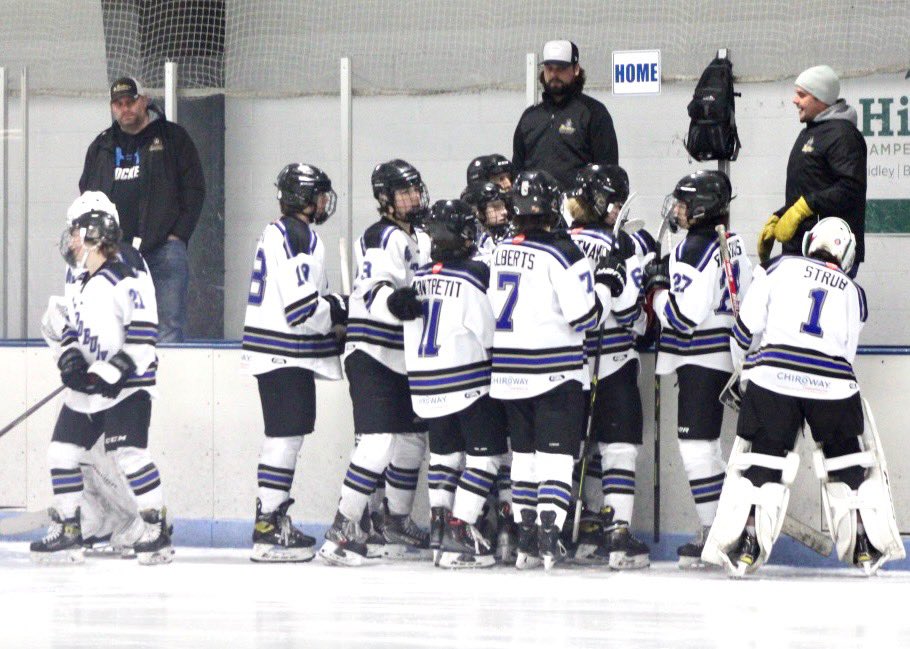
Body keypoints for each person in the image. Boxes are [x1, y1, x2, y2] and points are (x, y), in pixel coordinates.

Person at [703, 218, 904, 577]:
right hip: (834, 384)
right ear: (846, 255)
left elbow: (744, 330)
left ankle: (747, 543)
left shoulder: (778, 268)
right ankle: (862, 543)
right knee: (845, 462)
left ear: (811, 242)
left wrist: (745, 375)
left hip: (773, 378)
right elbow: (847, 353)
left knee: (763, 460)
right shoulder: (854, 291)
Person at [488, 169, 620, 570]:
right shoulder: (564, 252)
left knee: (525, 457)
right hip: (555, 371)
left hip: (509, 372)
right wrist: (608, 285)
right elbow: (585, 318)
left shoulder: (500, 248)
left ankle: (527, 540)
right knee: (557, 458)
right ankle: (549, 539)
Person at [31, 199, 172, 565]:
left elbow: (143, 335)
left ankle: (156, 530)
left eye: (77, 234)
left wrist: (113, 372)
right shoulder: (78, 280)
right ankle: (69, 529)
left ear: (94, 237)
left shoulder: (124, 278)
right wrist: (70, 356)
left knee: (130, 456)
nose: (71, 241)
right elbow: (61, 325)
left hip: (128, 386)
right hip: (88, 389)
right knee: (61, 453)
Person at [318, 159, 431, 566]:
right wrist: (395, 302)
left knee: (412, 440)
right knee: (378, 441)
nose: (414, 197)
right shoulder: (382, 236)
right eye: (404, 192)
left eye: (415, 189)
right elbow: (375, 289)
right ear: (385, 199)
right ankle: (344, 527)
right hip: (372, 352)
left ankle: (394, 520)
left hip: (404, 357)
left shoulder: (417, 235)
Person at [642, 170, 752, 567]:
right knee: (708, 451)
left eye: (685, 204)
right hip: (723, 357)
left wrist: (656, 293)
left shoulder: (694, 248)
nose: (678, 210)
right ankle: (727, 528)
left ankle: (721, 533)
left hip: (700, 359)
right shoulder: (733, 241)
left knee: (696, 451)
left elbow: (684, 317)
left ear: (702, 208)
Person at [240, 163, 347, 563]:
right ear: (304, 198)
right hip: (284, 351)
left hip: (279, 352)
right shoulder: (296, 234)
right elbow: (302, 307)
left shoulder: (284, 231)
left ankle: (270, 519)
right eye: (318, 194)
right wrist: (337, 313)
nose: (323, 202)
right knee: (284, 439)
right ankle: (268, 525)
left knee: (285, 437)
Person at [397, 199, 509, 569]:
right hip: (467, 383)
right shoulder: (475, 274)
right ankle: (461, 530)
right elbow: (489, 334)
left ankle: (439, 529)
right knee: (487, 457)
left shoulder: (420, 277)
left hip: (425, 388)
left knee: (444, 459)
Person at [565, 164, 650, 568]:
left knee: (573, 453)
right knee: (617, 450)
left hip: (565, 367)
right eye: (611, 200)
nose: (617, 207)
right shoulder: (624, 246)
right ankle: (616, 535)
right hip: (613, 363)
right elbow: (631, 311)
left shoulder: (561, 242)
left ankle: (578, 531)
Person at [79, 76, 206, 342]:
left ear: (144, 100)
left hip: (164, 250)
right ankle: (120, 382)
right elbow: (86, 193)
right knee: (113, 324)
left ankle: (167, 383)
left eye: (131, 101)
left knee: (168, 325)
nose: (125, 108)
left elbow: (194, 189)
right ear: (113, 107)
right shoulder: (101, 145)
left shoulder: (173, 137)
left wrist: (178, 235)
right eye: (119, 103)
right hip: (114, 254)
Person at [757, 65, 867, 276]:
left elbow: (850, 188)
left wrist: (804, 208)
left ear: (820, 98)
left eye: (801, 95)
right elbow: (808, 188)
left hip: (829, 253)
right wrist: (780, 216)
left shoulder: (843, 135)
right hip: (800, 249)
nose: (794, 100)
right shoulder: (809, 133)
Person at [512, 40, 618, 189]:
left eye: (561, 68)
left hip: (579, 209)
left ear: (575, 69)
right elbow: (517, 171)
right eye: (549, 68)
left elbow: (608, 171)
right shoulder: (529, 117)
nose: (554, 74)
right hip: (535, 209)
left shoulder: (594, 113)